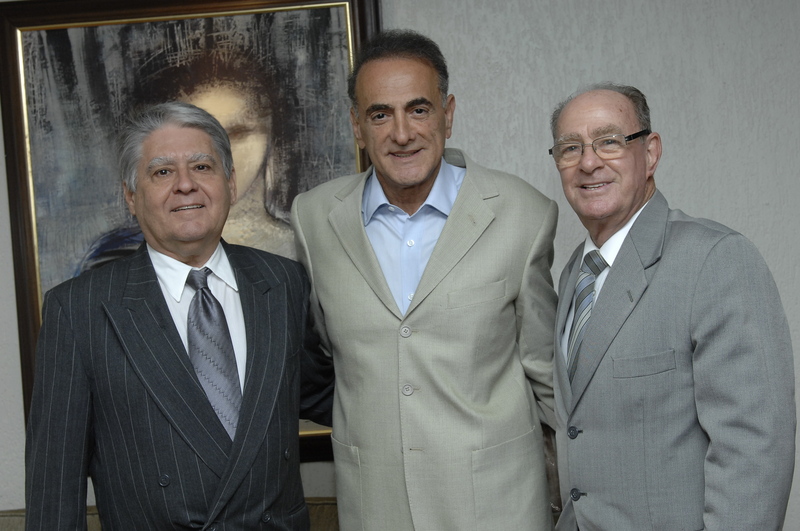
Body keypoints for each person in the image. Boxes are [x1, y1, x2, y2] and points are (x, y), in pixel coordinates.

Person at [291, 30, 558, 530]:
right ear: (356, 126)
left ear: (447, 114)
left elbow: (547, 375)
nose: (402, 133)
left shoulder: (523, 213)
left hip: (499, 506)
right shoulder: (313, 218)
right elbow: (327, 357)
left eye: (418, 110)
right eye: (380, 115)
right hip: (376, 506)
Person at [25, 102, 333, 530]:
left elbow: (325, 394)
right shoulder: (78, 309)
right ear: (131, 197)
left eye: (202, 167)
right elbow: (55, 487)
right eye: (163, 172)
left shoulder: (282, 282)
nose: (186, 185)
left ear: (229, 182)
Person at [548, 83, 795, 530]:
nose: (588, 162)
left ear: (651, 152)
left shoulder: (715, 259)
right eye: (570, 148)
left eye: (609, 141)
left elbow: (755, 451)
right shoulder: (574, 276)